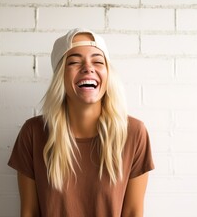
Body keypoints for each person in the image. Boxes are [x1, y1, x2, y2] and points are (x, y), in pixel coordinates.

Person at [8, 28, 155, 217]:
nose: (88, 68)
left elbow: (133, 212)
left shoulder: (134, 133)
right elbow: (29, 212)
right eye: (75, 62)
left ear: (108, 73)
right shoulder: (34, 133)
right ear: (60, 75)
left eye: (97, 61)